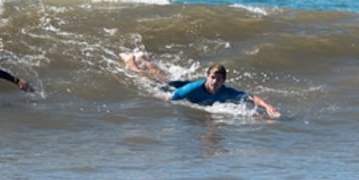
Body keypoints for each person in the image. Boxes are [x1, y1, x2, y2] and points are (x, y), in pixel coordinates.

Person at [120, 52, 280, 118]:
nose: (215, 81)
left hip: (181, 85)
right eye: (212, 77)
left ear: (223, 80)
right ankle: (131, 61)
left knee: (164, 76)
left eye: (218, 79)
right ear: (207, 77)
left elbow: (252, 98)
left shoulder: (226, 91)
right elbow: (169, 98)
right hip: (176, 88)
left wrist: (267, 106)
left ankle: (145, 59)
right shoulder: (194, 88)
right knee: (156, 80)